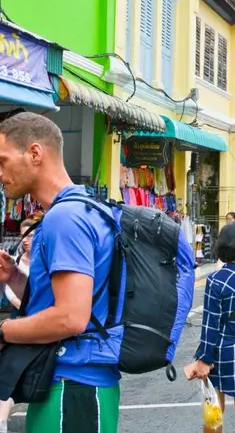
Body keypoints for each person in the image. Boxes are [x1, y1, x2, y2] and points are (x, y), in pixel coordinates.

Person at [0, 113, 122, 432]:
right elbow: (76, 297)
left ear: (35, 154)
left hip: (74, 389)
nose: (0, 173)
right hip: (72, 386)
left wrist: (3, 331)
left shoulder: (63, 219)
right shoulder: (80, 208)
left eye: (3, 160)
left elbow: (70, 317)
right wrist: (16, 277)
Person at [185, 222, 235, 433]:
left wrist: (204, 358)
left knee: (214, 408)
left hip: (221, 352)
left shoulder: (216, 280)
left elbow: (210, 324)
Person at [0, 213, 40, 433]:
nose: (26, 239)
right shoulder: (14, 261)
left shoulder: (45, 260)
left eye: (31, 234)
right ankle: (2, 421)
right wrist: (17, 302)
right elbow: (7, 288)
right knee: (10, 368)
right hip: (20, 318)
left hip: (39, 321)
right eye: (23, 235)